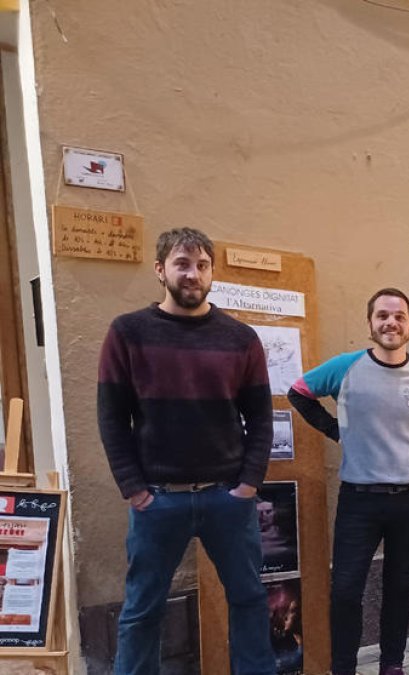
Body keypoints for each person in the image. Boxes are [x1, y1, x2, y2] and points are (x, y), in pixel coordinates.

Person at [97, 227, 275, 675]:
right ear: (161, 270)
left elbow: (260, 417)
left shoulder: (241, 339)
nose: (192, 273)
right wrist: (135, 490)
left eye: (201, 265)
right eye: (181, 263)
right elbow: (112, 418)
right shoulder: (128, 333)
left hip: (227, 499)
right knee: (142, 610)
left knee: (250, 601)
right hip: (158, 499)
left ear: (212, 273)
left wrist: (249, 484)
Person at [288, 287, 409, 675]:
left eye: (399, 316)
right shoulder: (345, 368)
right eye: (382, 315)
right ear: (370, 324)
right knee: (346, 591)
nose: (391, 322)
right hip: (360, 501)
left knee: (399, 588)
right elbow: (298, 394)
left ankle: (392, 665)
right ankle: (343, 669)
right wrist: (337, 431)